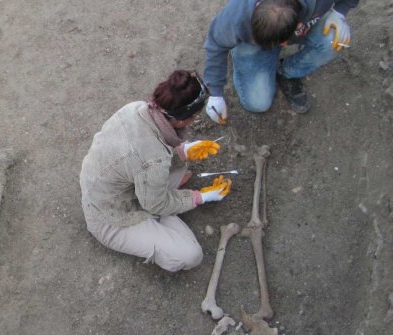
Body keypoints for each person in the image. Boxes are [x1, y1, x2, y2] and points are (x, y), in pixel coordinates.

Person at [79, 70, 231, 272]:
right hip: (109, 217)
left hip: (108, 185)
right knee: (190, 255)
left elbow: (141, 156)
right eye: (194, 116)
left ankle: (164, 203)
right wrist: (199, 197)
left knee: (177, 168)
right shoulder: (155, 160)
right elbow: (154, 193)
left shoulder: (136, 108)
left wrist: (183, 152)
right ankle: (163, 215)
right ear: (183, 119)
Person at [203, 0, 359, 122]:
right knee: (258, 103)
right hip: (253, 42)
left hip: (307, 18)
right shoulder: (237, 15)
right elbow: (215, 43)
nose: (281, 46)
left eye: (280, 43)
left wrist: (339, 11)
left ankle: (287, 72)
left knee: (334, 42)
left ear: (298, 25)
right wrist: (215, 93)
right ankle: (242, 50)